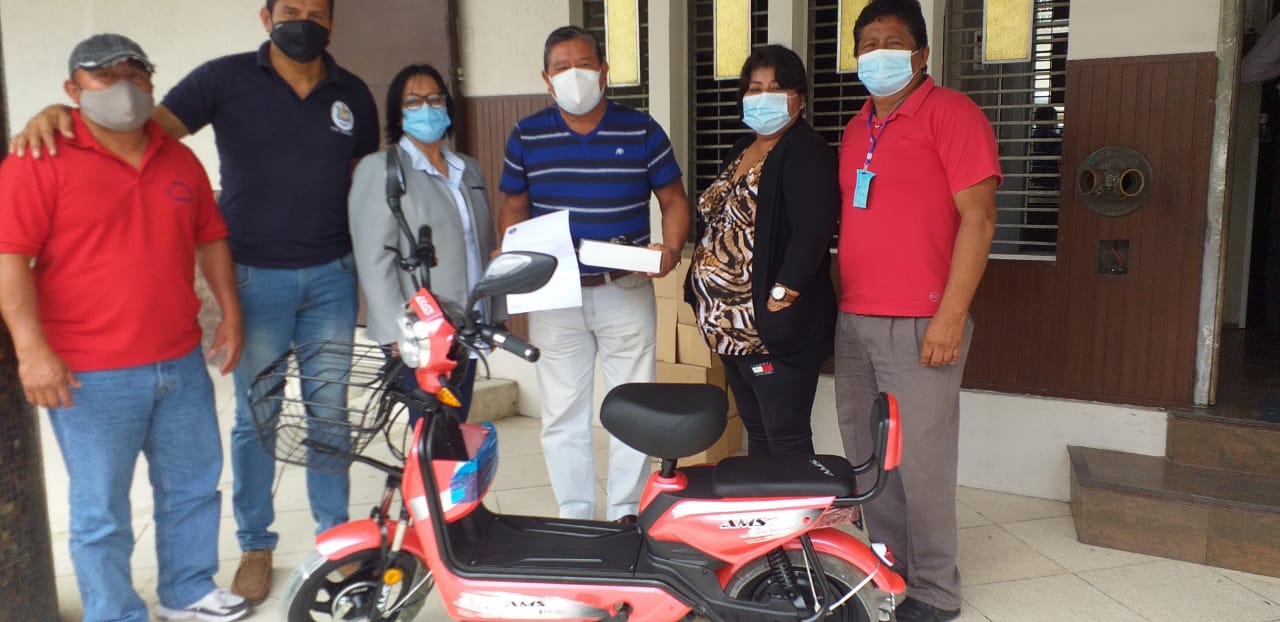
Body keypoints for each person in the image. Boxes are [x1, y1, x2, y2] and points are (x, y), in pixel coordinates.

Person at [9, 0, 379, 604]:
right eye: (291, 9)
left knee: (330, 415)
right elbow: (136, 124)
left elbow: (363, 179)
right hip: (256, 275)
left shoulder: (354, 93)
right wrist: (61, 114)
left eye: (317, 12)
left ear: (332, 23)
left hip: (333, 275)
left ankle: (333, 539)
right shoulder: (223, 79)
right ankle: (256, 543)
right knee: (257, 417)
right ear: (266, 17)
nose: (304, 21)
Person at [0, 34, 248, 622]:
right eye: (104, 76)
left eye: (135, 75)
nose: (123, 88)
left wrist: (230, 311)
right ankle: (113, 611)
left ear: (151, 83)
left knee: (192, 485)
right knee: (101, 509)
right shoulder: (37, 161)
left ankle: (188, 590)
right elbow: (10, 261)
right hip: (89, 373)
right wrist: (32, 352)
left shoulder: (178, 157)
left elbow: (210, 237)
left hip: (179, 360)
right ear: (73, 89)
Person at [834, 1, 1000, 621]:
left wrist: (951, 316)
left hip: (922, 320)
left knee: (923, 460)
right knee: (867, 454)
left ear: (922, 54)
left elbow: (979, 219)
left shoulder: (952, 114)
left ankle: (935, 590)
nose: (878, 53)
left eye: (893, 41)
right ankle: (891, 564)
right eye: (867, 44)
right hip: (855, 316)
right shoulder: (857, 127)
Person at [497, 25, 691, 522]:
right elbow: (514, 207)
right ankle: (576, 515)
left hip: (625, 289)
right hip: (554, 295)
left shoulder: (641, 129)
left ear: (604, 71)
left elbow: (673, 201)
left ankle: (626, 512)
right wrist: (516, 256)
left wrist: (670, 250)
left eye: (584, 65)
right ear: (546, 78)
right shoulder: (527, 135)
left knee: (634, 407)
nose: (574, 75)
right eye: (561, 68)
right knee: (562, 412)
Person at [684, 44, 838, 456]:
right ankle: (763, 500)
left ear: (800, 99)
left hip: (772, 329)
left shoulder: (805, 150)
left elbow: (813, 229)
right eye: (755, 88)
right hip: (729, 327)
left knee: (785, 435)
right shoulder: (740, 149)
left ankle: (795, 501)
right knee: (757, 428)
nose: (763, 96)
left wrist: (780, 298)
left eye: (776, 87)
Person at [349, 63, 503, 425]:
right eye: (414, 101)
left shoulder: (468, 168)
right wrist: (396, 333)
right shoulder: (382, 168)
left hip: (466, 326)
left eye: (435, 99)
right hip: (420, 332)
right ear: (398, 112)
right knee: (432, 433)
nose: (426, 108)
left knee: (455, 427)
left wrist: (494, 315)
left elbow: (483, 244)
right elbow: (373, 260)